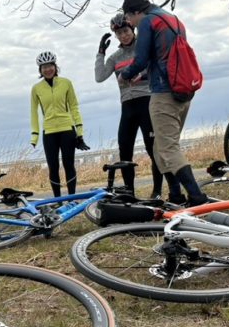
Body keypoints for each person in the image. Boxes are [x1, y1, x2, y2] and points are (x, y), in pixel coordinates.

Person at [118, 0, 208, 206]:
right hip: (183, 90)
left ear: (136, 11)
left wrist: (126, 74)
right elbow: (168, 59)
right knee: (160, 146)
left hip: (164, 93)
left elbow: (139, 59)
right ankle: (175, 195)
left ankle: (197, 197)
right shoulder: (172, 19)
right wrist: (146, 74)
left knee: (167, 148)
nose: (130, 23)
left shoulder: (148, 21)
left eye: (130, 18)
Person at [95, 12, 163, 199]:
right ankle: (129, 193)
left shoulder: (144, 48)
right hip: (127, 106)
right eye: (120, 33)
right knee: (125, 149)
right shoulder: (115, 57)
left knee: (152, 148)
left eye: (126, 31)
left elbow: (158, 69)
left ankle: (157, 191)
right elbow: (99, 77)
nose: (124, 35)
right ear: (116, 36)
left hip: (146, 102)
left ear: (132, 29)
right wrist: (101, 53)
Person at [30, 51, 89, 197]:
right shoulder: (36, 88)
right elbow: (33, 112)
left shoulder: (66, 83)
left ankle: (72, 199)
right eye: (44, 67)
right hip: (49, 132)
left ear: (55, 67)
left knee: (69, 165)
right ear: (40, 70)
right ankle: (57, 199)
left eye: (50, 66)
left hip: (67, 130)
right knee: (53, 167)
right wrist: (34, 136)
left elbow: (74, 107)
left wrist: (79, 132)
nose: (48, 69)